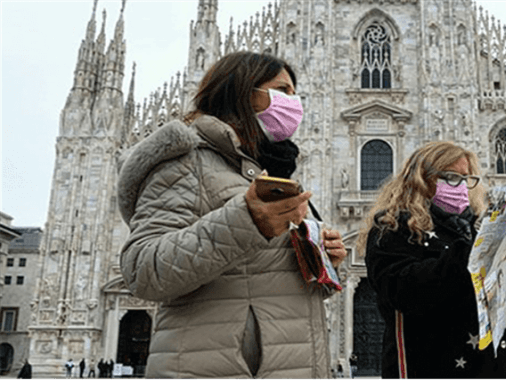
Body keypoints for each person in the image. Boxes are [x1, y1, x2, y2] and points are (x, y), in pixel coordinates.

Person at [116, 51, 347, 378]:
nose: (295, 103)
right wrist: (246, 222)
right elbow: (142, 270)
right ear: (242, 92)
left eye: (296, 94)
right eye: (282, 91)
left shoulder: (272, 170)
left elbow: (267, 280)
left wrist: (322, 259)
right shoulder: (187, 162)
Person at [361, 141, 506, 379]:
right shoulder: (392, 228)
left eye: (466, 178)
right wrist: (471, 251)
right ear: (422, 178)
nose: (461, 186)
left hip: (488, 365)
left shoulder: (475, 226)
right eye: (451, 177)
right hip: (430, 365)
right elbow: (402, 291)